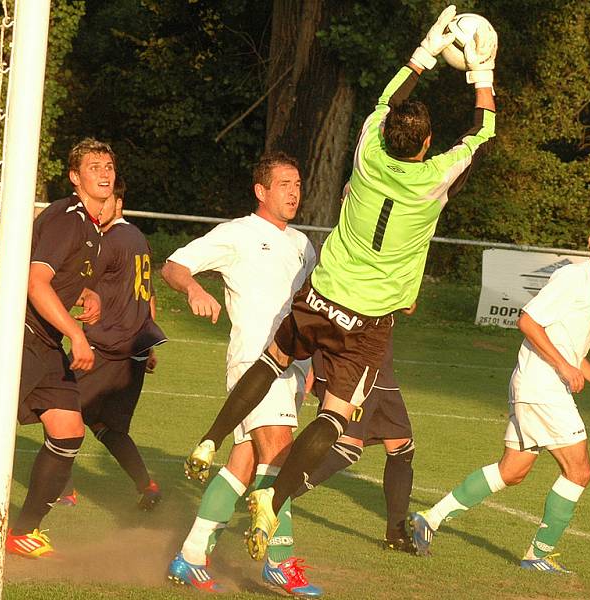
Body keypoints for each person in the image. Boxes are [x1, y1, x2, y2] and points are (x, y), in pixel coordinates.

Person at [183, 4, 498, 562]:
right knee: (335, 419)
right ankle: (273, 500)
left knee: (274, 357)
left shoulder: (369, 150)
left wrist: (423, 55)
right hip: (368, 322)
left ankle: (210, 435)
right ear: (426, 148)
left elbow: (385, 103)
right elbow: (482, 132)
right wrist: (483, 74)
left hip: (322, 295)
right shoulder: (433, 180)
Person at [408, 217, 590, 573]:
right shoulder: (575, 277)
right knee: (579, 471)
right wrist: (562, 367)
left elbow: (568, 345)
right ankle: (538, 555)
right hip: (542, 384)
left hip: (537, 383)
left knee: (511, 471)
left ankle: (428, 519)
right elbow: (527, 321)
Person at [0, 138, 116, 557]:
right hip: (10, 326)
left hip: (39, 337)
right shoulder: (68, 216)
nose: (105, 173)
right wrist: (76, 334)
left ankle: (21, 531)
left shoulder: (93, 227)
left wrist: (85, 294)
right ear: (75, 177)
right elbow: (34, 282)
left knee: (68, 429)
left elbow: (55, 279)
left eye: (109, 165)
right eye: (94, 167)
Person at [161, 151, 321, 596]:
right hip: (255, 363)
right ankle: (280, 561)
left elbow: (309, 309)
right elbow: (174, 265)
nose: (294, 192)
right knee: (279, 457)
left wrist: (313, 364)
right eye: (285, 184)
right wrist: (193, 288)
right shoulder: (238, 233)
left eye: (298, 184)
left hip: (294, 368)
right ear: (261, 191)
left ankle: (191, 555)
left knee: (245, 462)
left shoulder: (304, 245)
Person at [58, 176, 167, 510]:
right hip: (133, 348)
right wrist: (146, 345)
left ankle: (63, 491)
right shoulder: (137, 237)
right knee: (109, 426)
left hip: (107, 347)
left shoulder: (108, 241)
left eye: (106, 201)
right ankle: (147, 486)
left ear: (119, 203)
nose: (99, 207)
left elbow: (78, 284)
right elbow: (147, 293)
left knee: (60, 407)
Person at [292, 329, 415, 553]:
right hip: (351, 359)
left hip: (379, 362)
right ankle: (273, 500)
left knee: (401, 446)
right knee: (347, 446)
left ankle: (396, 534)